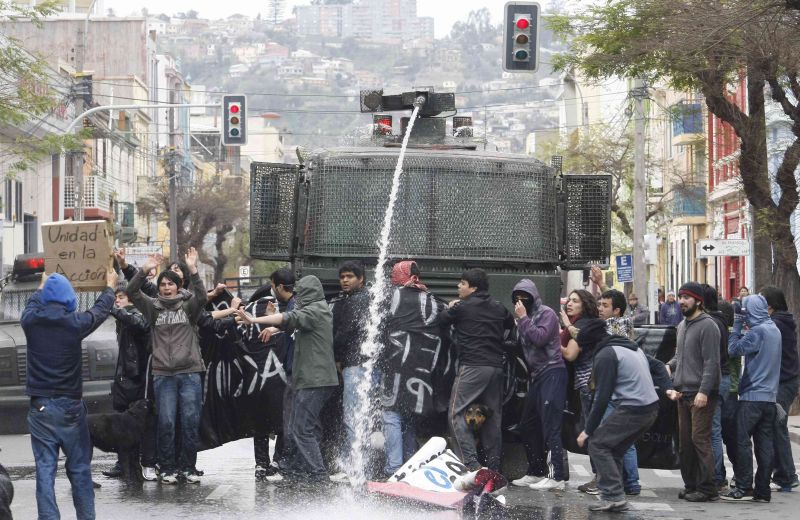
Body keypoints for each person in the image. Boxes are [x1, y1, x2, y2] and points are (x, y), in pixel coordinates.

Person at [22, 269, 118, 520]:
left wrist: (42, 285)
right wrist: (109, 288)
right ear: (68, 297)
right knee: (79, 469)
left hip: (40, 406)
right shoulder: (74, 324)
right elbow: (98, 312)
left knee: (44, 470)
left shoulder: (30, 321)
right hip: (70, 408)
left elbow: (33, 302)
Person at [237, 275, 339, 484]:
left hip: (316, 380)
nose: (297, 297)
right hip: (310, 379)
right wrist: (274, 323)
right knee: (295, 427)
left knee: (302, 429)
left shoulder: (316, 310)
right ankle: (293, 469)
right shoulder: (313, 310)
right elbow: (289, 323)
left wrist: (255, 319)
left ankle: (318, 475)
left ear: (309, 293)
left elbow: (288, 319)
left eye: (300, 293)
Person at [127, 248, 207, 485]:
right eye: (162, 284)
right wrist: (144, 270)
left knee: (190, 421)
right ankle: (168, 468)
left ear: (178, 286)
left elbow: (202, 296)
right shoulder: (153, 308)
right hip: (163, 374)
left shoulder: (188, 306)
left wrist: (193, 269)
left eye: (170, 284)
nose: (166, 288)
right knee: (167, 422)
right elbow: (132, 291)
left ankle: (189, 467)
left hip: (190, 372)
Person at [576, 319, 664, 512]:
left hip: (634, 409)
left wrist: (588, 430)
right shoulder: (629, 347)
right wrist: (668, 389)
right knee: (612, 448)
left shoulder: (606, 355)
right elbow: (657, 367)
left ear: (591, 344)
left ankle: (613, 496)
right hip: (649, 408)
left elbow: (601, 396)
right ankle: (615, 495)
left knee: (598, 444)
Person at [441, 268, 514, 473]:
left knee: (455, 414)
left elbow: (441, 321)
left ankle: (471, 465)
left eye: (462, 284)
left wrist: (452, 306)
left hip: (472, 367)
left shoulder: (462, 307)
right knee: (493, 417)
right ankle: (493, 468)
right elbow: (510, 323)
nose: (458, 287)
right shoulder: (499, 307)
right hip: (496, 369)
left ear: (473, 288)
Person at [380, 261, 446, 477]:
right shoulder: (433, 299)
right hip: (422, 365)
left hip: (396, 362)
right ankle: (410, 466)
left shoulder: (392, 296)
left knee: (391, 413)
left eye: (394, 274)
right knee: (409, 415)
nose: (391, 278)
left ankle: (393, 467)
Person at [722, 295, 781, 502]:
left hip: (752, 396)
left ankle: (744, 485)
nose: (744, 315)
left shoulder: (758, 332)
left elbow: (733, 350)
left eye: (746, 311)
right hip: (770, 398)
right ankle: (763, 490)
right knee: (764, 443)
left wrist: (737, 324)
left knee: (741, 440)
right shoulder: (774, 329)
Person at [666, 282, 721, 502]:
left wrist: (704, 391)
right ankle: (691, 485)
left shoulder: (708, 325)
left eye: (687, 297)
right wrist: (668, 367)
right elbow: (679, 357)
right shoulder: (681, 326)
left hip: (701, 394)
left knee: (700, 440)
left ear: (698, 300)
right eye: (680, 297)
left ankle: (708, 488)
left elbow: (711, 363)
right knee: (685, 443)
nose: (682, 301)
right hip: (683, 393)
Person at [510, 279, 566, 491]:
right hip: (537, 376)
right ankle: (536, 471)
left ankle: (556, 476)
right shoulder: (525, 319)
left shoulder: (547, 314)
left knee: (551, 426)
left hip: (552, 372)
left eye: (525, 296)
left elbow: (540, 338)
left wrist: (523, 319)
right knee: (528, 424)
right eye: (517, 297)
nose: (520, 301)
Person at [329, 261, 372, 480]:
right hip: (365, 364)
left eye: (350, 277)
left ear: (361, 278)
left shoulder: (354, 302)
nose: (345, 280)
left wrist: (335, 355)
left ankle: (353, 468)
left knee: (352, 416)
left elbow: (345, 332)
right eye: (342, 277)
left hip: (354, 365)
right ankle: (361, 465)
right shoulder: (368, 298)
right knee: (361, 416)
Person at [102, 286, 151, 479]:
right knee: (122, 420)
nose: (117, 301)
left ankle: (136, 463)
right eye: (115, 298)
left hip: (136, 376)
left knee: (132, 421)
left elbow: (139, 324)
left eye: (120, 297)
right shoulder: (123, 317)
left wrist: (114, 310)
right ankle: (123, 463)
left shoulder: (137, 313)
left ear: (130, 299)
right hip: (125, 375)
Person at [597, 289, 641, 495]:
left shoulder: (615, 326)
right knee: (625, 439)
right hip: (624, 388)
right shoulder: (625, 324)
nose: (600, 309)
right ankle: (630, 482)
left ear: (616, 311)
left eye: (605, 306)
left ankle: (625, 483)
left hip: (616, 390)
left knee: (611, 439)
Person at [759, 286, 799, 491]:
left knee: (777, 425)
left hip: (783, 382)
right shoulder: (781, 320)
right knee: (774, 424)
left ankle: (787, 474)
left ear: (770, 306)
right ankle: (782, 472)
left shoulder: (776, 324)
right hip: (785, 380)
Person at [559, 289, 600, 494]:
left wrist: (553, 340)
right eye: (569, 300)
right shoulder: (589, 323)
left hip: (587, 385)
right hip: (592, 385)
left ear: (584, 304)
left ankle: (599, 478)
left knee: (591, 432)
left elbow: (570, 354)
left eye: (575, 301)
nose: (569, 304)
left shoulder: (581, 326)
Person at [700, 284, 731, 493]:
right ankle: (716, 475)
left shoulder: (711, 323)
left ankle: (717, 477)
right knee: (713, 430)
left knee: (712, 431)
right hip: (722, 378)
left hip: (716, 380)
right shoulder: (720, 320)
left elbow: (712, 360)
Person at [268, 268, 297, 480]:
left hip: (297, 370)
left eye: (272, 286)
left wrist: (272, 321)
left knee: (292, 419)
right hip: (295, 369)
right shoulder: (296, 305)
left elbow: (291, 327)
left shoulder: (295, 306)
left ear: (279, 287)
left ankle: (285, 462)